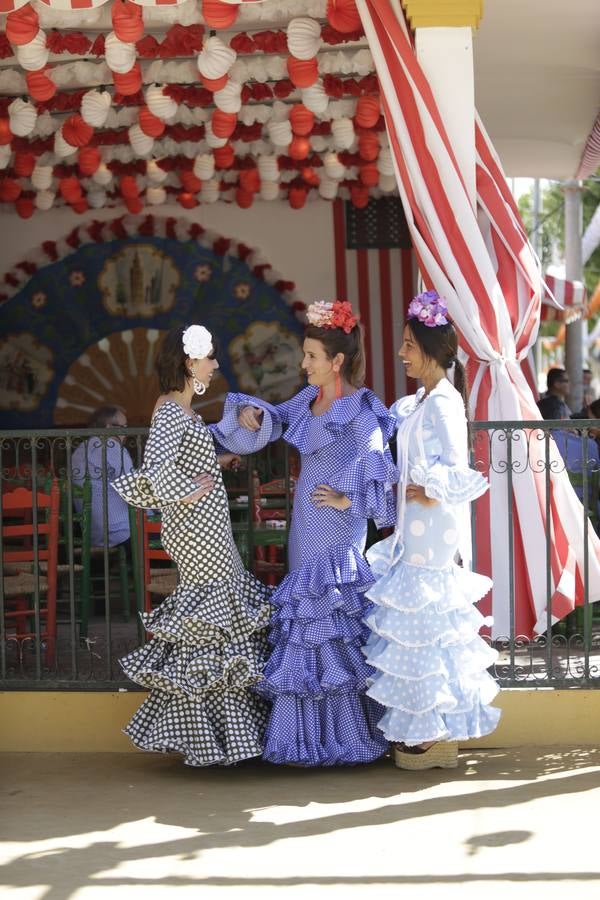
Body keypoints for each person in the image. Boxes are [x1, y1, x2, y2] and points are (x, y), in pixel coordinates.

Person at [213, 300, 398, 766]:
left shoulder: (360, 408)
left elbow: (377, 463)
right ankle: (306, 739)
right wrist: (254, 415)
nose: (303, 363)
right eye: (304, 355)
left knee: (333, 627)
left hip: (337, 530)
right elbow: (274, 419)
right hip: (305, 526)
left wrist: (348, 499)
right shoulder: (307, 402)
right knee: (307, 628)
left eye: (311, 356)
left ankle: (345, 737)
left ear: (336, 361)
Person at [111, 324, 272, 767]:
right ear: (189, 362)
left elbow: (179, 464)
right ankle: (218, 737)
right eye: (210, 357)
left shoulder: (183, 411)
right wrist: (187, 490)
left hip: (207, 528)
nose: (215, 364)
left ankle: (222, 735)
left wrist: (217, 463)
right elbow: (155, 468)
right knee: (213, 618)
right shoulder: (169, 410)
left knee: (215, 618)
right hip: (197, 532)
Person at [363, 291, 501, 770]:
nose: (402, 352)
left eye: (407, 344)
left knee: (425, 623)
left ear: (429, 347)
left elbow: (456, 466)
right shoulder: (421, 400)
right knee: (418, 626)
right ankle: (427, 728)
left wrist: (430, 486)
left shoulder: (444, 402)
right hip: (415, 527)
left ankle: (431, 731)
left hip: (431, 528)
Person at [71, 406, 133, 550]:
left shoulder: (80, 450)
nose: (127, 433)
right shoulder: (111, 447)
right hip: (121, 533)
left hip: (92, 536)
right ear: (110, 427)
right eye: (124, 427)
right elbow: (136, 488)